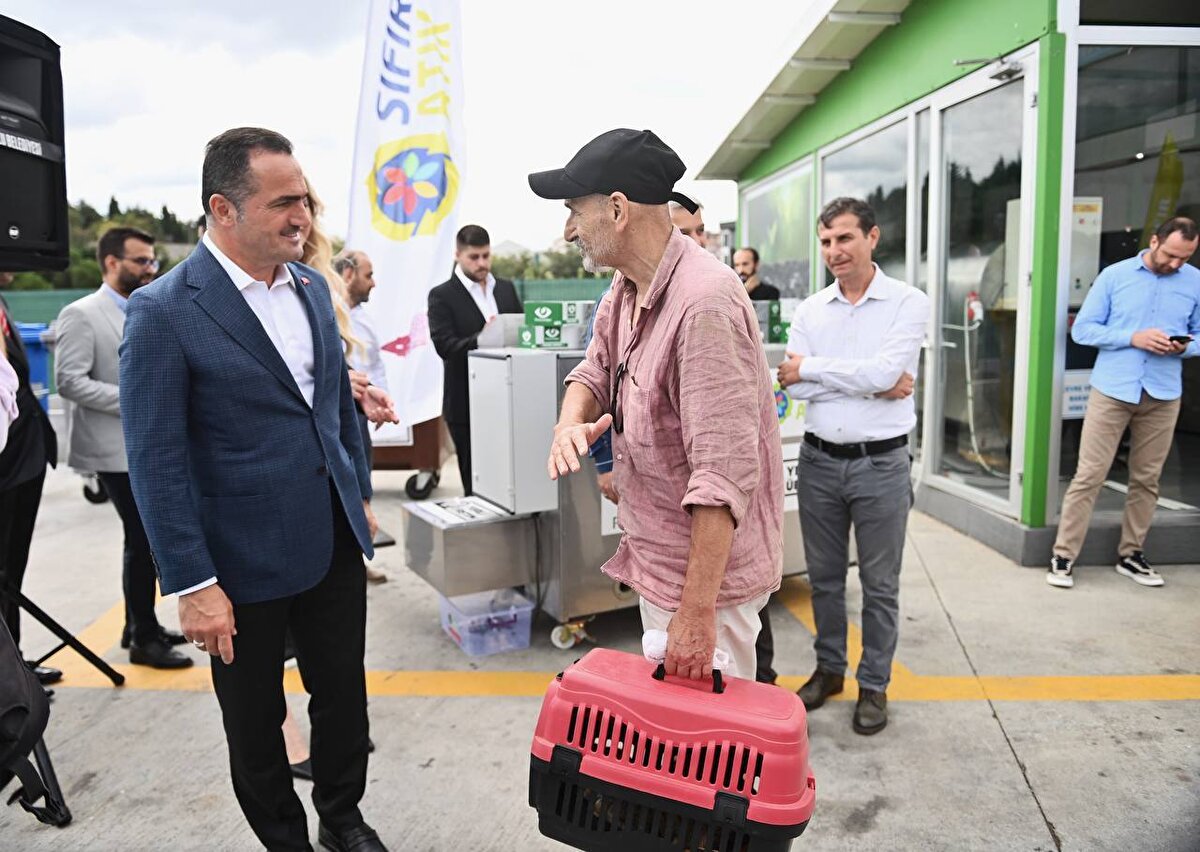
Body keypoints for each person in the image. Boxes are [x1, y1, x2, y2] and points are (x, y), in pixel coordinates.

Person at [120, 127, 387, 852]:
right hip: (237, 562)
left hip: (330, 538)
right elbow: (156, 460)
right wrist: (192, 582)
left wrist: (357, 492)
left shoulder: (308, 286)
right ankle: (285, 840)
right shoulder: (165, 311)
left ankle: (342, 818)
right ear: (223, 209)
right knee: (255, 719)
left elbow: (329, 403)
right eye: (283, 203)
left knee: (343, 699)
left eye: (304, 199)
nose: (303, 216)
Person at [533, 128, 783, 682]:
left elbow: (723, 475)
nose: (568, 228)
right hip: (661, 560)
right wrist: (568, 422)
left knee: (716, 752)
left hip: (706, 588)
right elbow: (595, 367)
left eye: (575, 210)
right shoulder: (626, 287)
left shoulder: (704, 304)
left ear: (618, 209)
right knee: (681, 748)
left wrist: (696, 615)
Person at [778, 197, 928, 736]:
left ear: (872, 237)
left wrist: (817, 370)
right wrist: (869, 379)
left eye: (844, 238)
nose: (833, 251)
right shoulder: (811, 309)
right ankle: (830, 670)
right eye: (825, 242)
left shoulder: (909, 302)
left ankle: (874, 685)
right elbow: (794, 381)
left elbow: (884, 371)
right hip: (818, 460)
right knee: (822, 580)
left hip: (881, 465)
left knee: (880, 584)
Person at [55, 227, 191, 669]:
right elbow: (69, 381)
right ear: (112, 263)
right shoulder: (81, 314)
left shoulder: (146, 307)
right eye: (141, 261)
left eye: (153, 261)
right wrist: (137, 399)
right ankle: (144, 641)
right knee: (145, 538)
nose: (151, 269)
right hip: (111, 450)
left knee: (143, 539)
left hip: (142, 447)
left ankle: (137, 625)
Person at [1048, 216, 1199, 589]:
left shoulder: (1195, 281)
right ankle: (1063, 556)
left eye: (1186, 257)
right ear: (1154, 241)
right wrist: (1133, 338)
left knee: (1147, 479)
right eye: (1171, 255)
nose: (1176, 264)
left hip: (1163, 393)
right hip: (1113, 390)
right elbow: (1083, 329)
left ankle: (1131, 554)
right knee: (1090, 475)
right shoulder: (1115, 276)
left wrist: (1185, 345)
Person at [427, 225, 522, 496]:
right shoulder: (441, 295)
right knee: (475, 483)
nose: (482, 263)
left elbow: (521, 334)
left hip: (507, 399)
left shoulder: (505, 289)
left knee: (508, 477)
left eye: (486, 256)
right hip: (465, 403)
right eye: (474, 257)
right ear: (458, 255)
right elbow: (444, 346)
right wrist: (484, 337)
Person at [0, 273, 60, 686]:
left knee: (11, 573)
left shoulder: (3, 303)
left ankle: (13, 666)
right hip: (6, 462)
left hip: (26, 459)